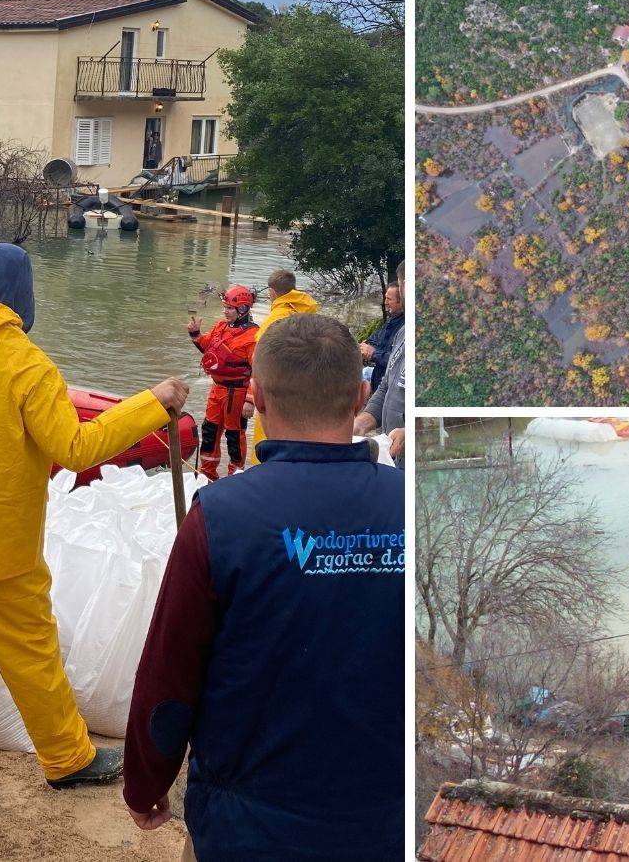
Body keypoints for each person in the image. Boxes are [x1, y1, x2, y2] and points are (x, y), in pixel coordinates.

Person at [0, 243, 190, 818]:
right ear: (26, 299)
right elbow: (75, 449)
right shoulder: (24, 364)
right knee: (32, 657)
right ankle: (67, 759)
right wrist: (151, 403)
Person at [124, 313, 403, 860]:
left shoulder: (221, 518)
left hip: (247, 828)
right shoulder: (409, 506)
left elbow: (167, 676)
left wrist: (145, 782)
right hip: (384, 824)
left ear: (256, 399)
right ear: (361, 396)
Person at [246, 269, 318, 463]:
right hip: (305, 392)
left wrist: (251, 397)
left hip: (276, 392)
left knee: (267, 448)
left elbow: (259, 359)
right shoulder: (308, 315)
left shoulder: (274, 320)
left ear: (272, 292)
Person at [187, 286, 259, 480]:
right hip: (217, 389)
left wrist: (250, 400)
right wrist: (195, 335)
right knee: (209, 431)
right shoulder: (221, 327)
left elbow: (258, 371)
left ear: (243, 309)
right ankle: (207, 476)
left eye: (229, 308)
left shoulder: (253, 337)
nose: (225, 311)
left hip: (236, 393)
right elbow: (208, 350)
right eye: (225, 307)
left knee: (234, 437)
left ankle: (235, 478)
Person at [352, 262, 406, 465]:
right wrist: (361, 423)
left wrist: (411, 433)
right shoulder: (403, 333)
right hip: (393, 457)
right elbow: (387, 386)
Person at [360, 283, 404, 393]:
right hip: (377, 377)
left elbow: (399, 362)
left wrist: (373, 354)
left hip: (391, 388)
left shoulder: (405, 327)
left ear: (401, 301)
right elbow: (376, 339)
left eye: (389, 299)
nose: (385, 302)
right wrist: (363, 348)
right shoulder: (393, 320)